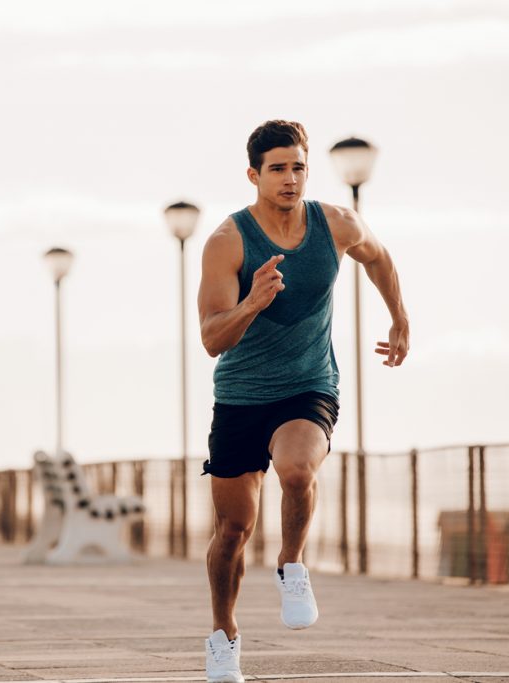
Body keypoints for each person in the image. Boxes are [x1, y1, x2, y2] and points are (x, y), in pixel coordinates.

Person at [198, 120, 409, 683]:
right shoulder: (228, 240)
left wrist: (400, 317)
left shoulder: (334, 223)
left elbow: (379, 257)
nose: (290, 179)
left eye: (298, 167)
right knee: (234, 530)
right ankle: (224, 635)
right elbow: (212, 338)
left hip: (309, 384)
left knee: (296, 470)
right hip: (241, 395)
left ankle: (292, 564)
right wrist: (252, 302)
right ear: (254, 175)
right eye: (277, 169)